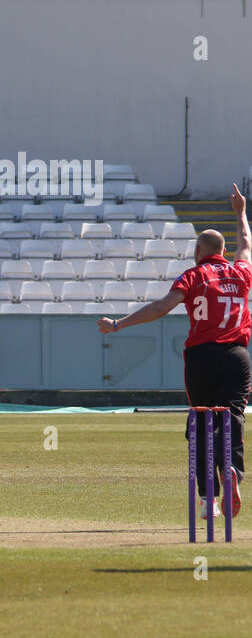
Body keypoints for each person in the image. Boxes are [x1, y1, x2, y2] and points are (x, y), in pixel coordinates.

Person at [98, 185, 252, 517]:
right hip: (237, 355)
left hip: (201, 357)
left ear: (199, 250)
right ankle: (233, 472)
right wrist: (240, 212)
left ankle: (207, 499)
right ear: (221, 250)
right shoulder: (241, 273)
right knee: (233, 416)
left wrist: (118, 324)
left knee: (200, 421)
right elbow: (246, 244)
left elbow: (161, 308)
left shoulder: (194, 275)